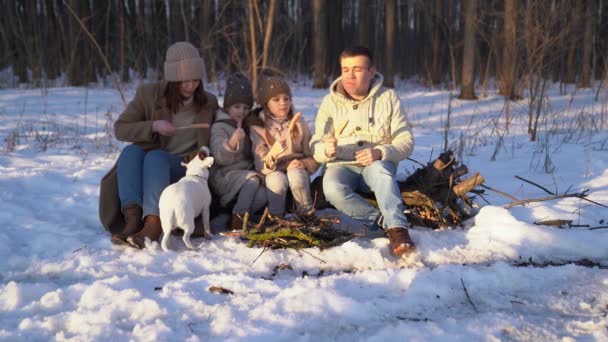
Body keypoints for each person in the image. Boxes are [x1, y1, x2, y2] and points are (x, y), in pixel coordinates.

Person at [99, 41, 218, 249]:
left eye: (195, 80)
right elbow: (120, 129)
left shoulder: (208, 102)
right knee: (130, 152)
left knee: (156, 157)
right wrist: (153, 125)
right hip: (149, 167)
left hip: (182, 168)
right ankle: (132, 219)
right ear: (172, 79)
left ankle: (153, 223)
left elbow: (221, 132)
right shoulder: (149, 95)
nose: (191, 86)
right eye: (184, 81)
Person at [309, 46, 416, 256]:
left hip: (375, 164)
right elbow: (315, 144)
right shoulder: (329, 102)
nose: (349, 75)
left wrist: (380, 152)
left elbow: (406, 140)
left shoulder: (389, 98)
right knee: (331, 187)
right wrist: (326, 150)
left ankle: (398, 229)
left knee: (382, 174)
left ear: (371, 71)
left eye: (357, 69)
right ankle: (381, 221)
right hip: (340, 165)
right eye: (345, 69)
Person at [249, 75, 318, 219]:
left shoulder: (299, 123)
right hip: (272, 171)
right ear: (265, 103)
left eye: (286, 98)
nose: (283, 103)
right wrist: (274, 153)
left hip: (296, 168)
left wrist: (304, 163)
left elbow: (312, 154)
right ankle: (276, 218)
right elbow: (260, 162)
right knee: (277, 181)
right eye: (276, 100)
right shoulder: (258, 127)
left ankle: (307, 215)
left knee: (296, 175)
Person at [209, 73, 267, 232]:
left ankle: (231, 216)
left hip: (244, 174)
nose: (242, 111)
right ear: (227, 106)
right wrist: (232, 141)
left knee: (264, 193)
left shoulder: (247, 124)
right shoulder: (219, 126)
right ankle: (238, 222)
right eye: (237, 107)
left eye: (246, 108)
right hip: (224, 175)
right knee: (253, 180)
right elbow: (220, 158)